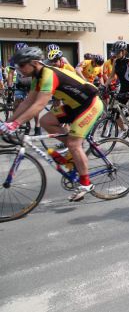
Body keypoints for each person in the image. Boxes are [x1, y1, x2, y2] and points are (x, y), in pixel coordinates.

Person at [0, 47, 103, 201]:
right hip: (74, 105)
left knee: (74, 144)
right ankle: (73, 150)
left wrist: (16, 124)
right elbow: (28, 102)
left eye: (22, 65)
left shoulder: (49, 74)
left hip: (90, 105)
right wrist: (8, 122)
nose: (19, 69)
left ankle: (86, 183)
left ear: (34, 63)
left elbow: (39, 105)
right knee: (45, 121)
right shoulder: (37, 76)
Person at [7, 42, 41, 135]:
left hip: (31, 82)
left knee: (34, 105)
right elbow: (10, 73)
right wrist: (10, 86)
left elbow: (36, 73)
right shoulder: (13, 60)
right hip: (20, 83)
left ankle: (37, 126)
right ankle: (21, 125)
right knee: (17, 103)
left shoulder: (31, 60)